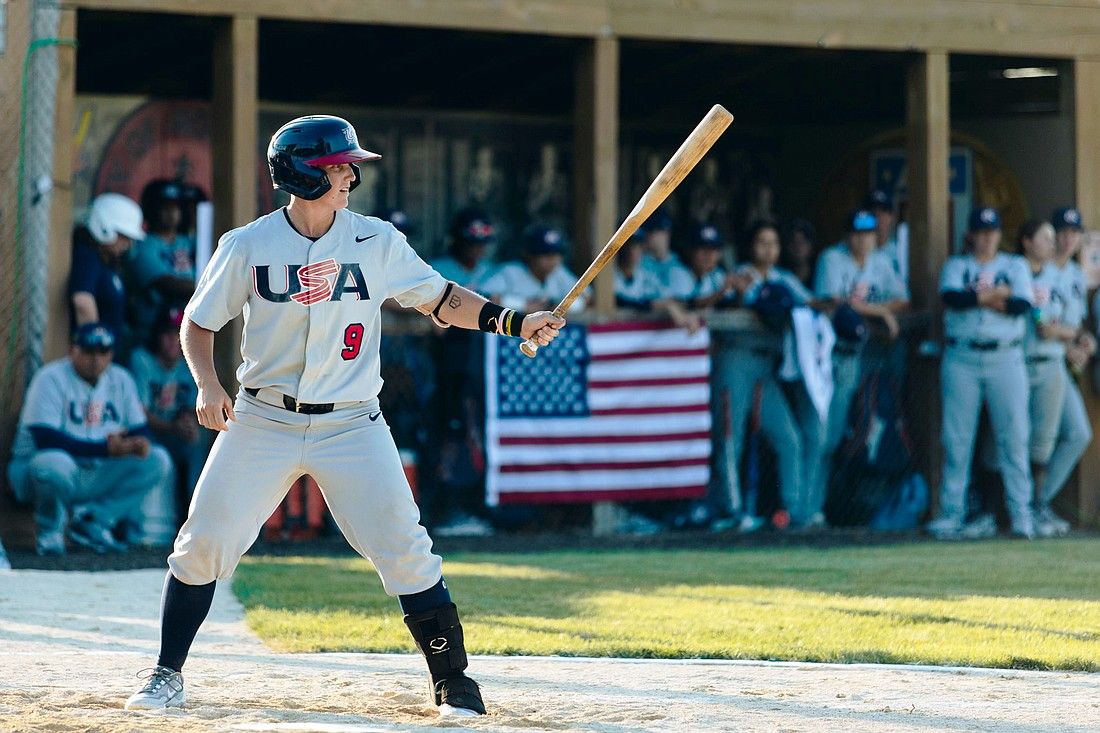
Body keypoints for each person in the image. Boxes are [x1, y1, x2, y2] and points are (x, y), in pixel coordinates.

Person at [123, 115, 564, 716]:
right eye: (337, 166)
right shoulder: (247, 245)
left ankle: (453, 681)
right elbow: (199, 322)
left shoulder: (376, 240)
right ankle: (166, 674)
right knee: (202, 542)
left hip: (353, 423)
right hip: (263, 419)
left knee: (405, 544)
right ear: (302, 174)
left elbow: (441, 298)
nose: (350, 176)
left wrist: (513, 323)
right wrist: (207, 384)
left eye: (350, 165)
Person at [7, 323, 173, 555]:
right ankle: (50, 533)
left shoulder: (120, 379)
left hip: (92, 473)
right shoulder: (50, 378)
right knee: (53, 463)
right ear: (72, 350)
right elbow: (45, 439)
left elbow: (140, 429)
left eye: (102, 352)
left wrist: (139, 444)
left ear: (111, 354)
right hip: (35, 473)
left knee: (157, 459)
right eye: (88, 351)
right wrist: (106, 450)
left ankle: (93, 521)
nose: (95, 359)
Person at [927, 206, 1036, 540]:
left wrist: (978, 297)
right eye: (981, 231)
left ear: (999, 234)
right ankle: (951, 515)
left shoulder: (1014, 264)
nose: (987, 238)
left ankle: (1021, 515)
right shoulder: (958, 265)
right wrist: (995, 294)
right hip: (962, 356)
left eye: (992, 231)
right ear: (971, 234)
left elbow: (1022, 304)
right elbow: (952, 298)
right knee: (957, 439)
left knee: (1015, 438)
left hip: (1006, 357)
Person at [710, 221, 825, 531]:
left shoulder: (782, 279)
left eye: (773, 243)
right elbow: (716, 305)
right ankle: (732, 511)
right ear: (752, 246)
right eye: (762, 242)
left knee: (789, 437)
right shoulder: (737, 276)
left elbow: (811, 304)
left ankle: (794, 508)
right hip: (736, 359)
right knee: (731, 438)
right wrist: (735, 294)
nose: (768, 249)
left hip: (766, 365)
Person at [813, 209, 909, 477]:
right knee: (827, 434)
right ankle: (813, 508)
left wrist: (873, 308)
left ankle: (838, 501)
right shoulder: (831, 258)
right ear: (847, 236)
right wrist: (879, 311)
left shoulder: (880, 261)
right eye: (857, 234)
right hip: (832, 358)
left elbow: (904, 300)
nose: (863, 240)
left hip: (867, 358)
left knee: (862, 431)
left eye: (868, 234)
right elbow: (831, 302)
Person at [1038, 206, 1095, 535]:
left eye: (1074, 232)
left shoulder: (1076, 275)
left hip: (1063, 366)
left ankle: (1039, 503)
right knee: (1031, 442)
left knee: (1077, 434)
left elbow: (1078, 325)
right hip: (1039, 362)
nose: (1068, 238)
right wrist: (1069, 342)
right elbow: (1040, 326)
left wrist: (1085, 343)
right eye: (1062, 231)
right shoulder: (1038, 269)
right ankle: (1025, 507)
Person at [129, 306, 207, 527]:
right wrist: (173, 427)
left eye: (179, 334)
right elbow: (139, 413)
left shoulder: (190, 363)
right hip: (147, 434)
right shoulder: (141, 359)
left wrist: (187, 422)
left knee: (197, 439)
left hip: (174, 433)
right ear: (156, 336)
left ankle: (195, 518)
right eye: (168, 335)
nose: (174, 341)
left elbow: (196, 405)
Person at [69, 193, 146, 357]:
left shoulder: (108, 261)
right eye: (124, 235)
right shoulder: (88, 257)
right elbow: (82, 301)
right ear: (104, 227)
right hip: (96, 359)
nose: (129, 243)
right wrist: (96, 349)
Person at [126, 179, 198, 348]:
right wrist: (211, 285)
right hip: (152, 336)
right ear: (152, 209)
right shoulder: (143, 245)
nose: (172, 212)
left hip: (187, 330)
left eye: (176, 206)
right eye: (164, 207)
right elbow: (167, 285)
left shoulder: (188, 241)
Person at [477, 223, 587, 313]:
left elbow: (587, 298)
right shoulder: (510, 272)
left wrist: (558, 306)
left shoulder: (559, 272)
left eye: (556, 254)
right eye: (545, 254)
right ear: (529, 254)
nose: (552, 260)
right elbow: (481, 297)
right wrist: (523, 305)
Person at [614, 229, 700, 332]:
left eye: (638, 246)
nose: (632, 251)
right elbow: (621, 301)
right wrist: (661, 305)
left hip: (638, 334)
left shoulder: (645, 274)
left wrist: (684, 313)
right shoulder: (609, 275)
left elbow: (665, 297)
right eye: (628, 245)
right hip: (616, 331)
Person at [431, 207, 497, 289]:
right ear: (457, 240)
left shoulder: (489, 270)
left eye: (481, 244)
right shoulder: (436, 270)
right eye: (471, 243)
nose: (476, 249)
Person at [639, 208, 691, 293]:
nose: (650, 236)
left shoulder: (681, 265)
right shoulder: (639, 263)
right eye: (649, 231)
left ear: (667, 233)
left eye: (656, 231)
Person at [781, 217, 818, 289]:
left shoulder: (819, 274)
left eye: (802, 242)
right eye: (793, 242)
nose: (797, 248)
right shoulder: (778, 275)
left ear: (811, 246)